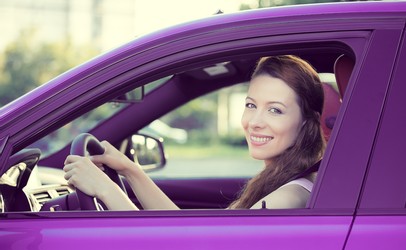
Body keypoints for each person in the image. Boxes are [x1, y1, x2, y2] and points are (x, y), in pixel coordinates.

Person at [63, 55, 325, 210]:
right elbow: (188, 235)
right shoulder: (280, 180)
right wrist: (130, 170)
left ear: (305, 122)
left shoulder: (289, 197)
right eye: (251, 105)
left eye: (275, 110)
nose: (255, 122)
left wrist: (106, 191)